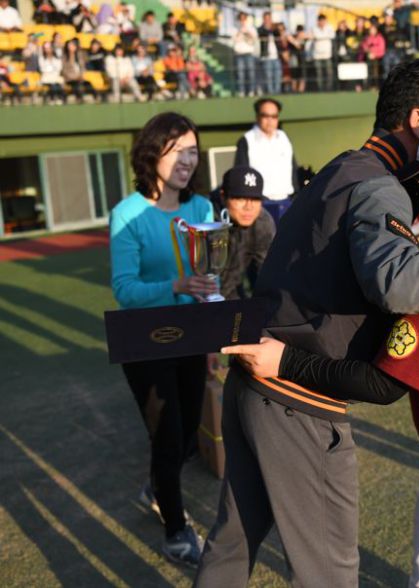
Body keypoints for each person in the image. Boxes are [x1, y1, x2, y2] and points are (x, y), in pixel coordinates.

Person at [194, 57, 419, 588]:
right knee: (331, 574)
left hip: (256, 380)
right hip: (295, 396)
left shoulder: (345, 167)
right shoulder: (378, 185)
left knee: (231, 546)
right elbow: (401, 281)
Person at [109, 112, 216, 568]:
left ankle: (157, 486)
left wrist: (214, 334)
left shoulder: (202, 210)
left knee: (189, 433)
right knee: (168, 438)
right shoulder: (127, 214)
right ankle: (176, 531)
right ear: (153, 152)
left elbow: (209, 279)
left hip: (192, 337)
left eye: (193, 151)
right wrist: (174, 286)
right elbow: (125, 289)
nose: (188, 160)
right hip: (147, 345)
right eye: (178, 151)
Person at [212, 165, 276, 300]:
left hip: (232, 290)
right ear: (223, 197)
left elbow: (266, 276)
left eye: (255, 199)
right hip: (194, 297)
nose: (249, 207)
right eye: (240, 198)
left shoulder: (262, 222)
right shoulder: (206, 219)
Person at [234, 98, 297, 221]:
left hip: (287, 202)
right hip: (262, 204)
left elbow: (293, 168)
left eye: (274, 116)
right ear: (257, 116)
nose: (270, 120)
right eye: (265, 116)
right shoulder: (247, 140)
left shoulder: (284, 138)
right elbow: (241, 174)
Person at [232, 11, 258, 98]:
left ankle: (251, 91)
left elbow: (254, 40)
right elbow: (234, 40)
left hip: (249, 54)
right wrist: (240, 31)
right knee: (240, 74)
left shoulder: (251, 28)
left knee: (251, 74)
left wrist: (247, 32)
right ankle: (241, 92)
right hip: (239, 54)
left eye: (244, 18)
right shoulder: (235, 28)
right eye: (241, 19)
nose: (242, 21)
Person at [257, 11, 281, 95]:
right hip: (266, 57)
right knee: (268, 76)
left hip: (276, 57)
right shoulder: (261, 29)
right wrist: (268, 28)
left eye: (269, 19)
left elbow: (279, 37)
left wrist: (274, 28)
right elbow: (262, 34)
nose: (268, 20)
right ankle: (270, 93)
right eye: (266, 19)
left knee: (277, 76)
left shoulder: (274, 29)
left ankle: (277, 92)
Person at [311, 13, 335, 92]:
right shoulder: (314, 28)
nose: (322, 22)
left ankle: (329, 89)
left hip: (327, 55)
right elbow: (315, 36)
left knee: (329, 73)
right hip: (317, 55)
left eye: (323, 21)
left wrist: (319, 37)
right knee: (319, 74)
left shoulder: (329, 27)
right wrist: (323, 36)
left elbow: (332, 36)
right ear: (318, 21)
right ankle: (320, 89)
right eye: (320, 21)